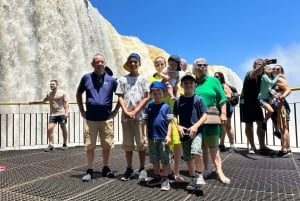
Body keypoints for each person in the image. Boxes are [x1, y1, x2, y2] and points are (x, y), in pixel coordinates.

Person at [76, 53, 119, 182]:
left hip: (106, 118)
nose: (100, 64)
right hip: (91, 119)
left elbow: (121, 95)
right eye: (97, 62)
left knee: (106, 145)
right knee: (90, 146)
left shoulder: (111, 80)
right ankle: (89, 169)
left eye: (102, 62)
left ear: (105, 64)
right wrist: (81, 110)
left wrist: (116, 110)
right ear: (93, 64)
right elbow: (78, 94)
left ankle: (105, 168)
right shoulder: (86, 78)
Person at [193, 58, 231, 184]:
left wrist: (224, 113)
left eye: (205, 65)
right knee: (203, 147)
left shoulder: (213, 80)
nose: (202, 67)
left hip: (212, 117)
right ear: (195, 67)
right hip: (197, 119)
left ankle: (219, 172)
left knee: (214, 147)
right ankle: (206, 169)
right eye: (199, 65)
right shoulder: (192, 82)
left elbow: (222, 98)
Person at [149, 56, 184, 182]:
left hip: (173, 113)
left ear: (165, 64)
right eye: (157, 65)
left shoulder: (173, 76)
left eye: (161, 64)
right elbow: (153, 93)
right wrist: (164, 80)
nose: (159, 67)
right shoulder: (153, 78)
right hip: (160, 114)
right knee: (164, 145)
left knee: (177, 142)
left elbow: (178, 92)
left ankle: (176, 172)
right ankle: (164, 173)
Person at [116, 52, 150, 181]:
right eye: (130, 61)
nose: (133, 64)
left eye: (135, 61)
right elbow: (120, 96)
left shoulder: (143, 79)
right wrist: (125, 110)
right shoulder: (122, 79)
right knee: (128, 144)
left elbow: (147, 96)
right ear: (127, 63)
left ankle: (142, 168)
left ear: (139, 64)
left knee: (141, 144)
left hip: (139, 116)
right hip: (126, 117)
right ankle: (129, 168)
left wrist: (135, 111)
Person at [173, 72, 207, 190]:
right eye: (185, 82)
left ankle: (199, 174)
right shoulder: (178, 100)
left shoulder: (198, 99)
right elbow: (174, 115)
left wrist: (196, 126)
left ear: (195, 85)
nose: (188, 84)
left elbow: (204, 115)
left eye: (191, 82)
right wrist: (178, 126)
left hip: (196, 132)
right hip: (184, 133)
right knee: (187, 156)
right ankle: (193, 178)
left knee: (196, 150)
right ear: (182, 85)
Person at [142, 81, 173, 191]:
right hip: (152, 138)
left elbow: (170, 123)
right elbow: (145, 122)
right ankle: (157, 176)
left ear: (163, 93)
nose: (157, 95)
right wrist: (145, 135)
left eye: (159, 93)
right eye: (154, 93)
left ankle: (165, 178)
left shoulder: (166, 107)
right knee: (154, 159)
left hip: (163, 138)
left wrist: (168, 136)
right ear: (151, 95)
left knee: (165, 159)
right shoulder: (149, 107)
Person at [239, 58, 272, 154]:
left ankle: (262, 145)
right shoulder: (249, 73)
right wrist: (263, 65)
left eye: (262, 64)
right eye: (258, 64)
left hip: (256, 101)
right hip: (246, 102)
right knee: (248, 124)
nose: (261, 65)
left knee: (260, 123)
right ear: (254, 65)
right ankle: (252, 146)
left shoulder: (263, 76)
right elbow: (253, 74)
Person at [29, 80, 69, 152]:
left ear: (57, 85)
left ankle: (65, 144)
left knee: (63, 128)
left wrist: (66, 113)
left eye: (53, 84)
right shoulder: (49, 94)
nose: (51, 86)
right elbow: (43, 101)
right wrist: (33, 102)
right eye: (51, 85)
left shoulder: (62, 93)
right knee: (49, 129)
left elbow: (66, 103)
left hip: (61, 114)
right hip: (53, 114)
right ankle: (51, 145)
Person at [271, 65, 292, 157]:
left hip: (281, 106)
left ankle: (284, 150)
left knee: (283, 128)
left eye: (278, 69)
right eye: (274, 69)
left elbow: (288, 89)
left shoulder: (279, 78)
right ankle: (287, 148)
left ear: (281, 71)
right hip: (277, 106)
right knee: (284, 128)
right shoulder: (274, 80)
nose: (275, 70)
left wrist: (282, 97)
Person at [214, 72, 236, 152]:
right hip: (219, 108)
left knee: (228, 126)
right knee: (222, 126)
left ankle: (232, 145)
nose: (216, 78)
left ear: (221, 77)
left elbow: (229, 96)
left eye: (217, 76)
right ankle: (221, 144)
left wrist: (219, 96)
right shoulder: (216, 86)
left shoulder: (224, 85)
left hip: (226, 107)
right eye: (215, 76)